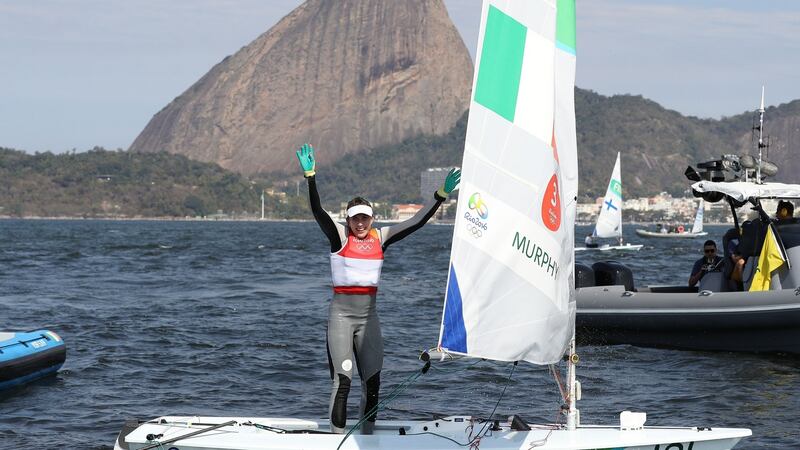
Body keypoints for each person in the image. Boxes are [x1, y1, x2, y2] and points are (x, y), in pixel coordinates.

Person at [296, 143, 460, 434]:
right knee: (343, 381)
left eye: (364, 218)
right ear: (348, 219)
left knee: (372, 384)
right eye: (355, 218)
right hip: (341, 319)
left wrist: (441, 196)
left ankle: (368, 438)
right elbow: (318, 211)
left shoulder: (381, 237)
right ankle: (337, 440)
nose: (360, 223)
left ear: (371, 219)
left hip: (369, 319)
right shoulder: (339, 236)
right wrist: (311, 176)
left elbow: (417, 221)